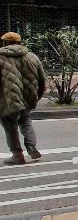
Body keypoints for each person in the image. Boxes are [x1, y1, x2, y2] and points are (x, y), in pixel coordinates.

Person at [0, 31, 46, 165]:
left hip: (7, 99)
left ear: (4, 43)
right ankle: (31, 146)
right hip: (27, 98)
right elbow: (42, 80)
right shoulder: (32, 57)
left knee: (10, 126)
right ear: (19, 42)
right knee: (25, 121)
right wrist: (37, 97)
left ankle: (17, 155)